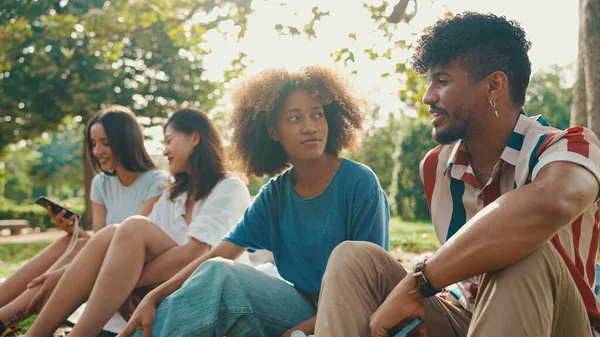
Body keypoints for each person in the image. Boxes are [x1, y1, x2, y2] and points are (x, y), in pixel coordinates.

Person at [314, 12, 600, 337]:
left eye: (442, 80)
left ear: (494, 85)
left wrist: (418, 282)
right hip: (465, 318)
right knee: (353, 258)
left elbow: (548, 203)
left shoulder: (570, 148)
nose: (427, 97)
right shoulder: (436, 167)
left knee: (522, 252)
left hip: (557, 323)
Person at [117, 65, 390, 337]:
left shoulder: (359, 183)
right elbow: (216, 255)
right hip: (300, 307)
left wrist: (300, 331)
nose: (310, 127)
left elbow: (372, 288)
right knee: (219, 273)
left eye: (317, 115)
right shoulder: (275, 194)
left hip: (350, 316)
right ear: (273, 131)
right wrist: (153, 296)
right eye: (295, 119)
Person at [22, 108, 251, 337]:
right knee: (113, 232)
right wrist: (114, 276)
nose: (165, 150)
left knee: (132, 227)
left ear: (194, 137)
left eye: (169, 141)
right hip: (162, 286)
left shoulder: (229, 187)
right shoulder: (174, 195)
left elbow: (194, 253)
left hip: (207, 285)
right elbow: (130, 246)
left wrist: (119, 280)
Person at [0, 105, 170, 331]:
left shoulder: (157, 181)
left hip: (137, 273)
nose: (97, 150)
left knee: (84, 245)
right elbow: (98, 240)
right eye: (93, 143)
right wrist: (71, 229)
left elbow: (127, 240)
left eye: (106, 143)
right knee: (73, 242)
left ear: (126, 141)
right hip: (104, 259)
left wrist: (63, 272)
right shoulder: (101, 183)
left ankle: (5, 318)